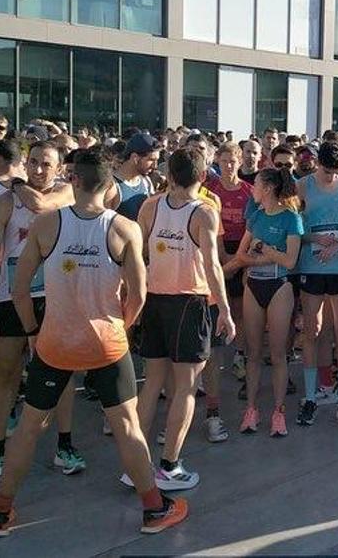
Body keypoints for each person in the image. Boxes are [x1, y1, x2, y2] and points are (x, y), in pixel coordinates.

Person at [0, 148, 187, 537]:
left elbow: (20, 287)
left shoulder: (46, 224)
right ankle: (153, 509)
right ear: (109, 185)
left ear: (73, 180)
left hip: (55, 342)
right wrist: (122, 329)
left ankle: (1, 511)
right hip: (107, 342)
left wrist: (32, 331)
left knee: (29, 427)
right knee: (127, 426)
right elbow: (139, 295)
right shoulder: (124, 228)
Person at [0, 141, 78, 487]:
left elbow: (47, 203)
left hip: (55, 297)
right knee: (5, 374)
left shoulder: (66, 194)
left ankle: (65, 445)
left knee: (61, 373)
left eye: (45, 164)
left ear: (59, 168)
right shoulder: (6, 202)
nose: (37, 170)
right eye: (32, 163)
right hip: (11, 298)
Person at [134, 149, 235, 487]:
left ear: (170, 175)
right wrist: (225, 308)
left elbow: (137, 255)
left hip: (155, 301)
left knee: (151, 385)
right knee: (186, 389)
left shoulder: (150, 205)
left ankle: (137, 466)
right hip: (189, 303)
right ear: (203, 176)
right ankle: (169, 466)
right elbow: (212, 265)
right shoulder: (205, 213)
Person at [295, 142, 338, 428]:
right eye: (326, 171)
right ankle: (311, 397)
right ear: (316, 164)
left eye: (336, 171)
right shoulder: (302, 185)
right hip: (312, 266)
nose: (331, 177)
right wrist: (312, 239)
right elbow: (295, 226)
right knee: (312, 332)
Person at [235, 167, 303, 437]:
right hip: (254, 284)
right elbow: (242, 255)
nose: (252, 189)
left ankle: (278, 411)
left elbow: (290, 261)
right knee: (253, 353)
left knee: (277, 354)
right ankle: (250, 410)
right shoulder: (255, 216)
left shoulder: (291, 218)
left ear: (269, 188)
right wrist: (259, 257)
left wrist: (265, 250)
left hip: (279, 287)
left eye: (256, 185)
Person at [206, 142, 255, 442]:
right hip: (217, 253)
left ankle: (239, 355)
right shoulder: (209, 190)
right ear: (217, 162)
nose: (228, 166)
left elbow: (252, 225)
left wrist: (240, 261)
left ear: (240, 162)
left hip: (243, 253)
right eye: (223, 161)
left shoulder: (249, 191)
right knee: (215, 309)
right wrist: (225, 260)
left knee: (240, 310)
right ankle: (212, 360)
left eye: (233, 161)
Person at [110, 133, 160, 220]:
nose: (155, 166)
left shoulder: (146, 182)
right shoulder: (112, 185)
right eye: (151, 160)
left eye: (157, 161)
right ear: (135, 158)